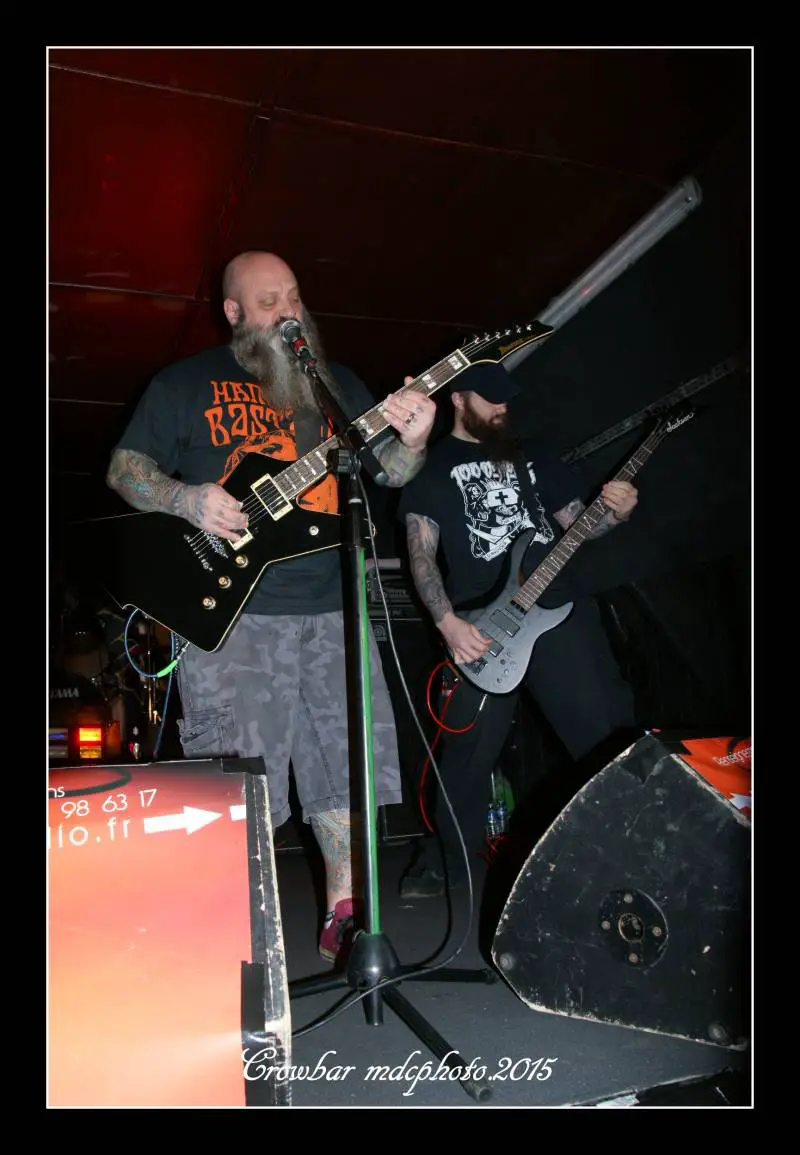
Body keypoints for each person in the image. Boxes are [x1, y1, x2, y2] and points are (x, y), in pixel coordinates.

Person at [105, 250, 436, 963]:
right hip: (234, 610)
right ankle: (240, 939)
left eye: (292, 296)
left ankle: (345, 914)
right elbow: (125, 470)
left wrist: (414, 438)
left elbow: (393, 471)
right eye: (267, 301)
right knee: (238, 773)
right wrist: (186, 498)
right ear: (233, 312)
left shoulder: (338, 387)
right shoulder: (186, 382)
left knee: (345, 761)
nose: (287, 311)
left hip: (333, 603)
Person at [396, 361, 639, 900]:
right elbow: (422, 554)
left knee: (605, 737)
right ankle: (449, 867)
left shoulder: (536, 454)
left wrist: (615, 513)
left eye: (506, 396)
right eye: (490, 397)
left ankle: (632, 849)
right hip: (481, 626)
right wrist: (447, 622)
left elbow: (578, 523)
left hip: (556, 612)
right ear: (458, 399)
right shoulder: (430, 470)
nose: (502, 406)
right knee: (466, 759)